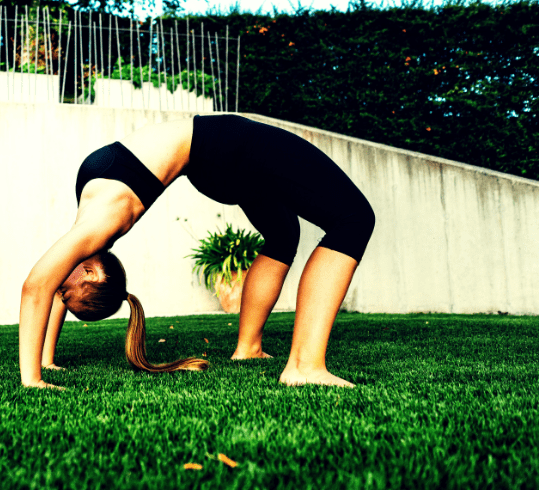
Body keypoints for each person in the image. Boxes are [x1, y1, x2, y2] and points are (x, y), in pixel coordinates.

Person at [19, 114, 375, 389]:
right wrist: (36, 373)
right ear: (94, 275)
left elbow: (39, 288)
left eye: (64, 294)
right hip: (220, 152)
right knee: (354, 218)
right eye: (66, 295)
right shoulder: (101, 229)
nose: (58, 294)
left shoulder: (96, 231)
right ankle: (303, 366)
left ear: (92, 273)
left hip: (215, 154)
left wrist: (41, 367)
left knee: (283, 234)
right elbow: (43, 289)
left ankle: (248, 348)